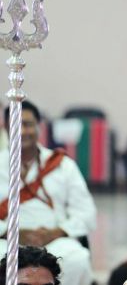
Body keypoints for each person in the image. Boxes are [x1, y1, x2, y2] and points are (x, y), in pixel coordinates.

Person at [0, 101, 96, 285]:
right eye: (16, 125)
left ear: (39, 126)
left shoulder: (63, 165)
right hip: (6, 240)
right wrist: (11, 233)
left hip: (54, 240)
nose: (22, 131)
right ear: (6, 128)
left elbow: (86, 212)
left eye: (28, 124)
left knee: (78, 259)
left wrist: (55, 233)